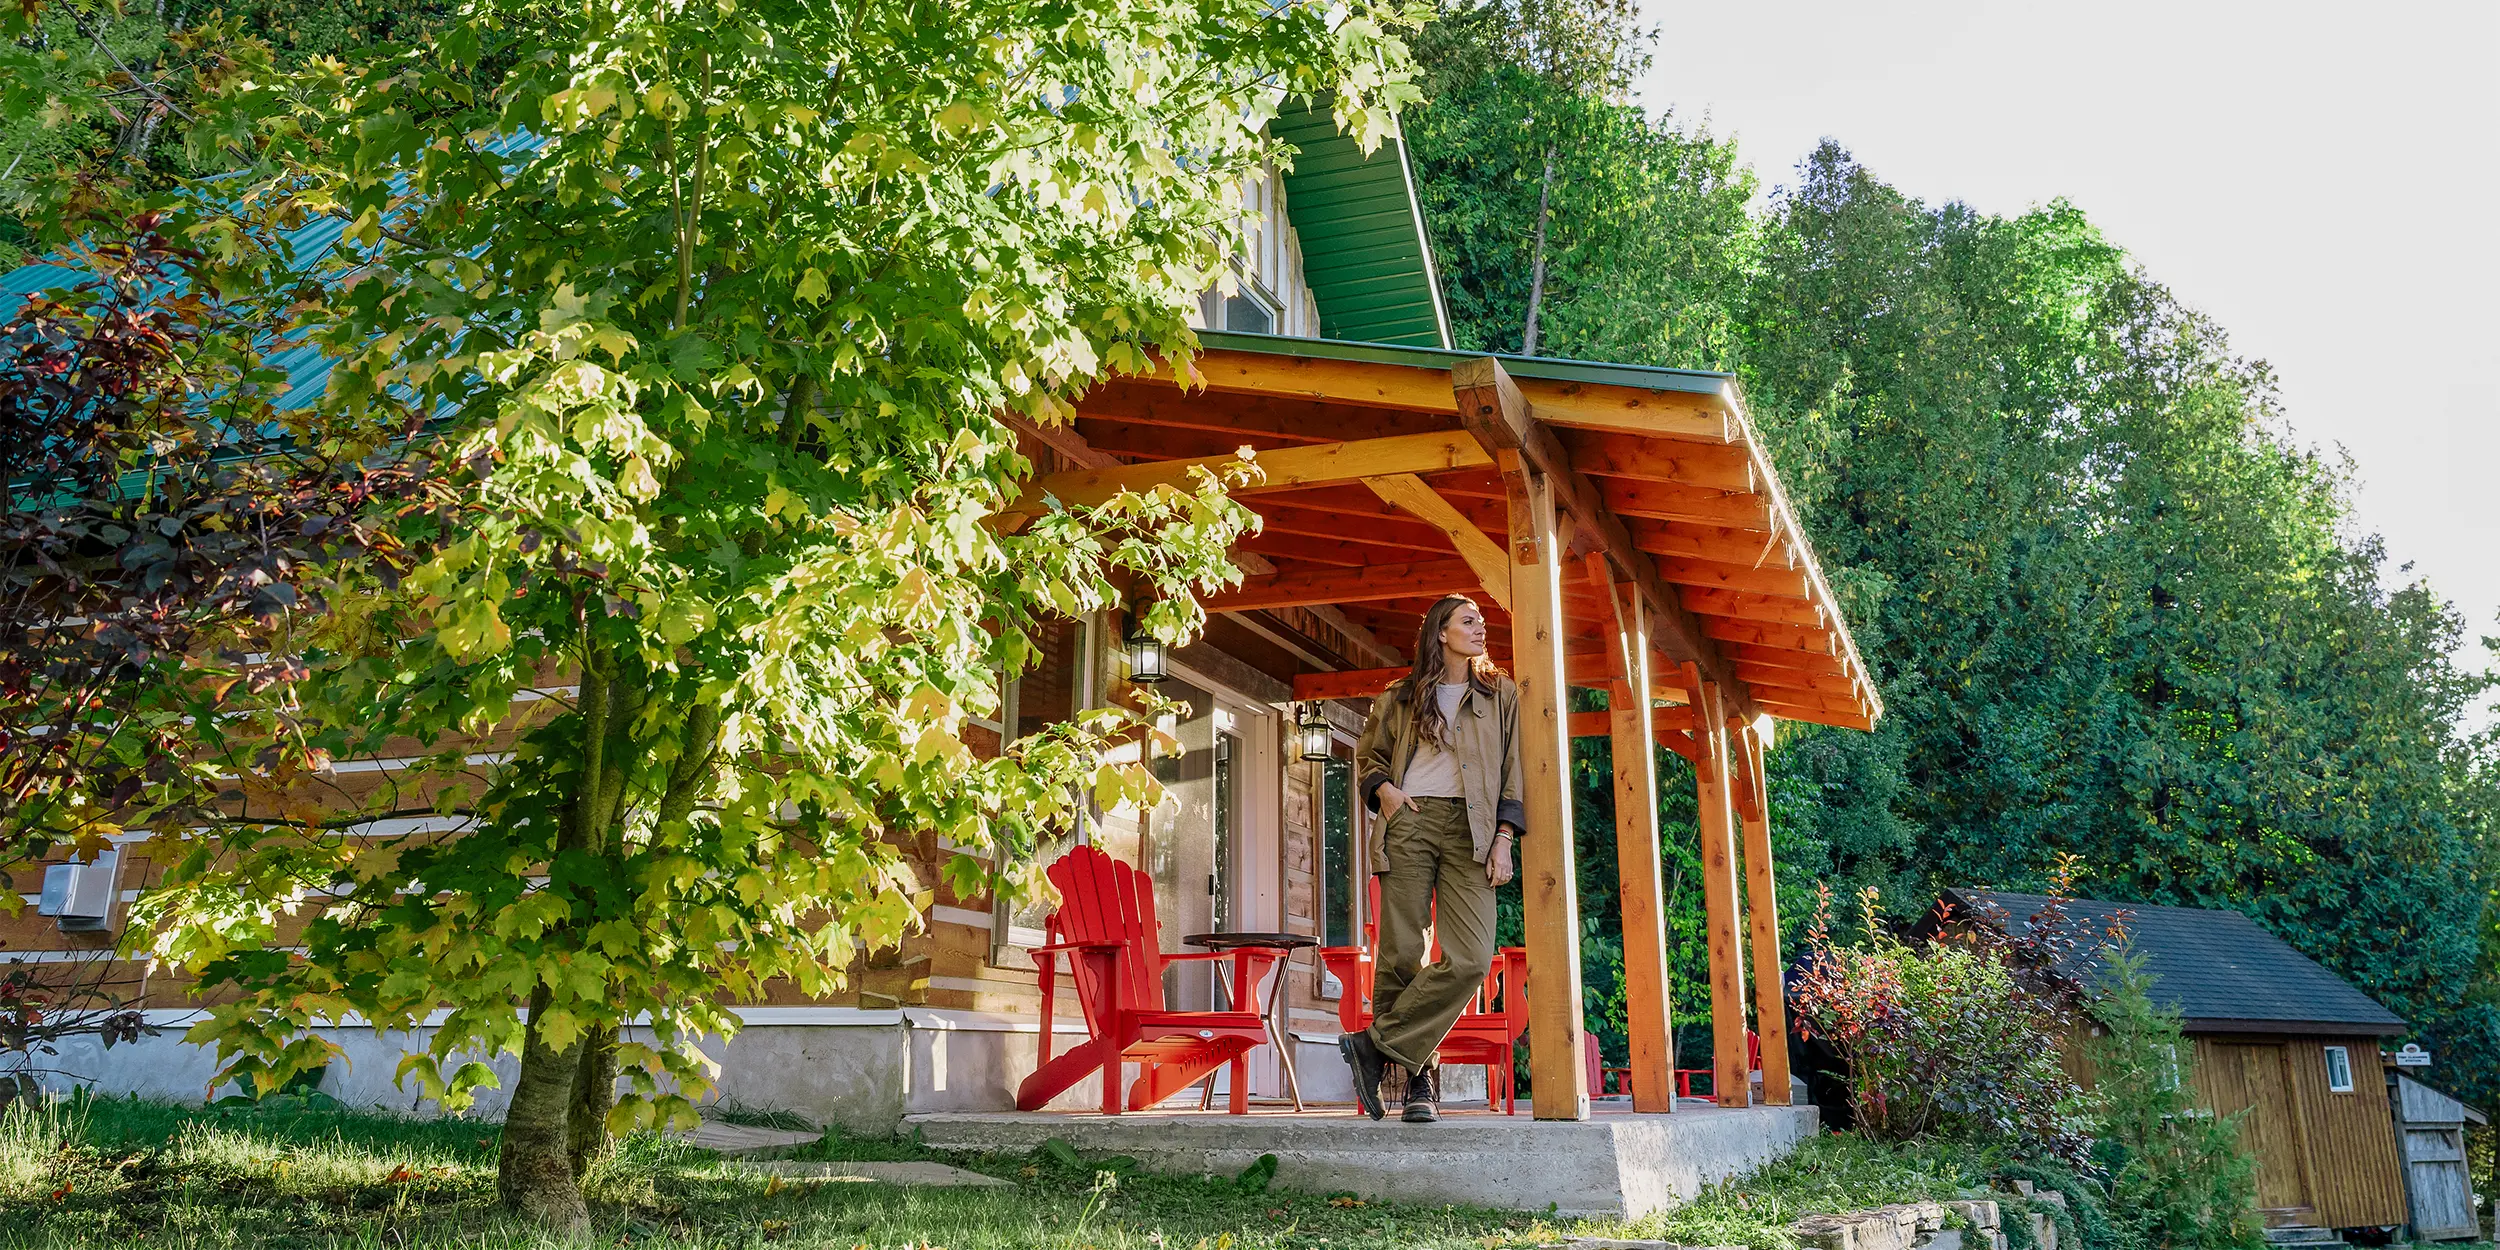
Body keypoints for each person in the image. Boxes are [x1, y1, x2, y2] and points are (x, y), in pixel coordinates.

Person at [1336, 595, 1525, 1123]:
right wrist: (1387, 794)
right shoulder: (1399, 696)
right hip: (1410, 822)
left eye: (1481, 622)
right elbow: (1368, 757)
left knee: (1471, 959)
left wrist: (1505, 837)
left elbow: (1514, 769)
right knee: (1401, 956)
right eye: (1468, 621)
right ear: (1441, 632)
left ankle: (1372, 1046)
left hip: (1474, 830)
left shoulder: (1500, 694)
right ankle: (1421, 1085)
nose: (1480, 628)